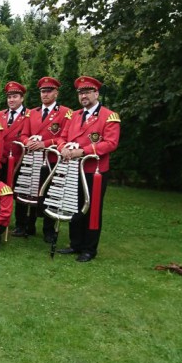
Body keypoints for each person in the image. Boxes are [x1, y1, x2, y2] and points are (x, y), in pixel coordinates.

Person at [55, 76, 121, 263]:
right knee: (74, 206)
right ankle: (75, 244)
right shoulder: (74, 116)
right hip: (73, 168)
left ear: (96, 93)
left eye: (87, 92)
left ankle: (89, 249)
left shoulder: (109, 116)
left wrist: (81, 151)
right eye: (81, 93)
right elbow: (62, 137)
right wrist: (63, 148)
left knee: (92, 209)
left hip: (94, 171)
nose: (84, 96)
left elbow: (110, 143)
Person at [23, 76, 73, 243]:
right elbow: (23, 134)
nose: (45, 94)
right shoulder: (32, 113)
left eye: (49, 91)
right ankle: (27, 226)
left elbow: (64, 136)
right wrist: (28, 142)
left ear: (56, 93)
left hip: (53, 159)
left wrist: (45, 143)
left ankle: (48, 230)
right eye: (42, 91)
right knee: (30, 191)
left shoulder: (65, 113)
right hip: (32, 158)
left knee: (50, 193)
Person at [0, 81, 32, 237]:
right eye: (9, 97)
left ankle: (21, 225)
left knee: (20, 194)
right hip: (2, 161)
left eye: (15, 96)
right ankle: (0, 220)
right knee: (0, 192)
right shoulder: (0, 115)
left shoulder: (29, 115)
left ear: (22, 98)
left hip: (20, 162)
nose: (11, 100)